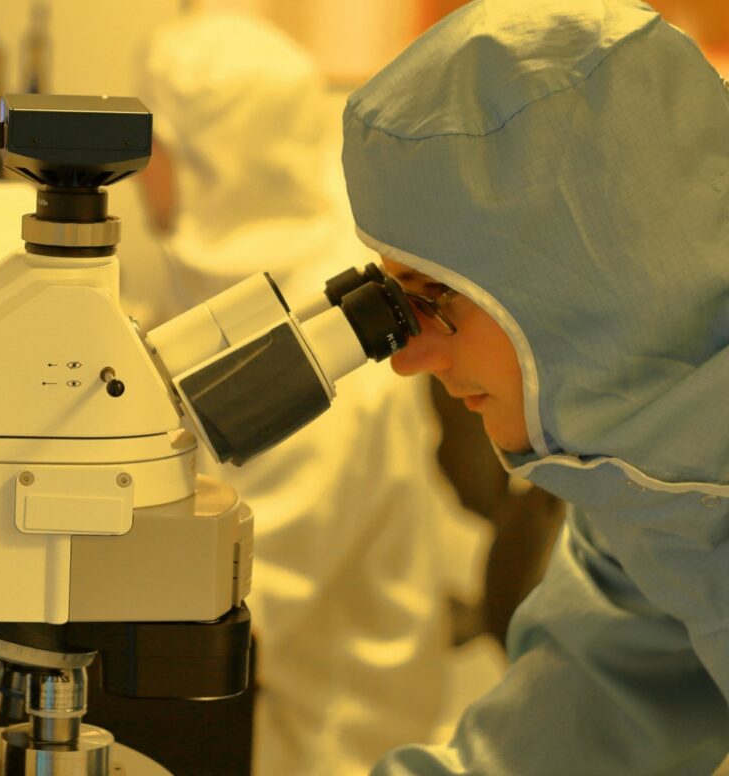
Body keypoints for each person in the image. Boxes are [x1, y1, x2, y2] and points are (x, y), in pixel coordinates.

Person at [339, 0, 729, 772]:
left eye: (434, 296)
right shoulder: (648, 491)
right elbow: (562, 737)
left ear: (594, 272)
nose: (409, 358)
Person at [132, 12, 466, 776]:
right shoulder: (243, 277)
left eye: (152, 145)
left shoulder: (326, 342)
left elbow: (224, 609)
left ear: (208, 156)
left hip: (320, 742)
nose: (137, 170)